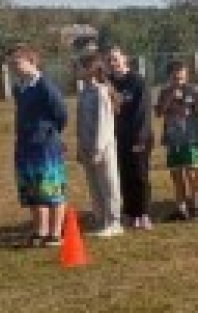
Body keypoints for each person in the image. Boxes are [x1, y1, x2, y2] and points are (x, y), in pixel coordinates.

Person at [8, 44, 68, 247]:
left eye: (18, 63)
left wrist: (50, 132)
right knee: (33, 191)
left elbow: (60, 112)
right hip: (25, 145)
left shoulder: (45, 85)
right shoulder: (20, 87)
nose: (14, 67)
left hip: (45, 146)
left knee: (50, 189)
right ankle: (39, 231)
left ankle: (55, 233)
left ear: (32, 62)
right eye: (12, 64)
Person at [75, 51, 122, 238]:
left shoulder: (101, 92)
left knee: (108, 184)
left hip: (102, 147)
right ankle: (101, 220)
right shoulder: (84, 92)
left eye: (80, 67)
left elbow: (103, 123)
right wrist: (81, 146)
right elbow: (80, 122)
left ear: (91, 70)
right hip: (87, 147)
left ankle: (114, 222)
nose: (76, 70)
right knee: (94, 186)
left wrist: (97, 149)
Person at [107, 46, 154, 230]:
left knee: (139, 176)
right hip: (119, 137)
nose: (113, 63)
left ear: (124, 59)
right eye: (110, 60)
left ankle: (143, 213)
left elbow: (143, 112)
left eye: (116, 59)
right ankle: (129, 212)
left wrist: (140, 139)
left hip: (139, 136)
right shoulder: (109, 82)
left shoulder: (137, 81)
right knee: (124, 175)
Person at [155, 60, 198, 221]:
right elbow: (159, 112)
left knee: (192, 174)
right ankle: (181, 209)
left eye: (183, 78)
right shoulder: (164, 92)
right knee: (177, 176)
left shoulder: (192, 90)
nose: (180, 82)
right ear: (170, 77)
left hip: (190, 138)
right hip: (172, 139)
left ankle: (196, 207)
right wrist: (169, 98)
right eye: (176, 78)